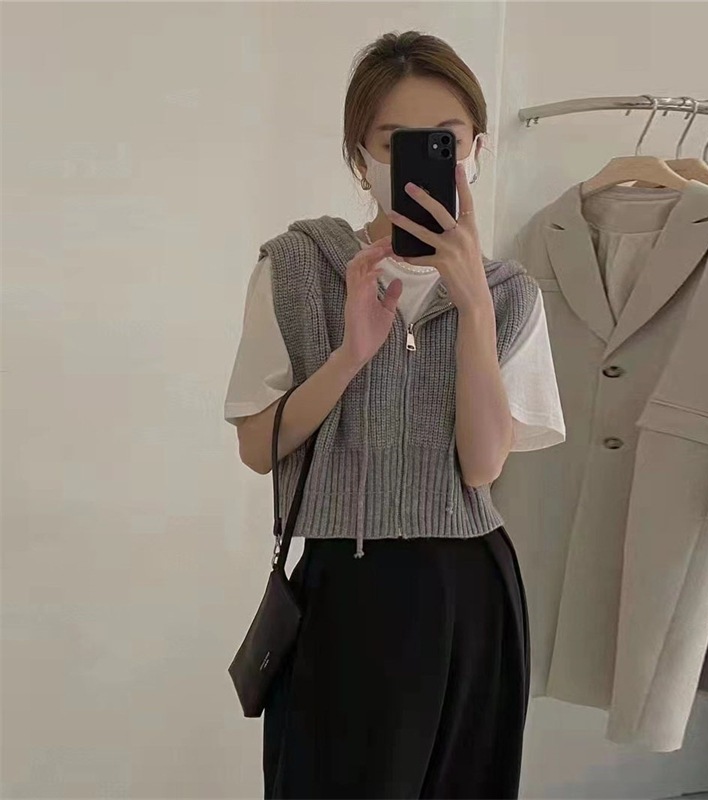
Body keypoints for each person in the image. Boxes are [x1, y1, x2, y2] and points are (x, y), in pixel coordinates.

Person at [224, 29, 565, 800]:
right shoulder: (297, 266)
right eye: (395, 140)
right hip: (346, 592)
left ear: (476, 148)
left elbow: (483, 466)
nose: (421, 158)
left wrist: (474, 309)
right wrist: (351, 353)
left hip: (470, 592)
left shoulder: (511, 294)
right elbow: (257, 447)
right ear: (361, 155)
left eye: (445, 138)